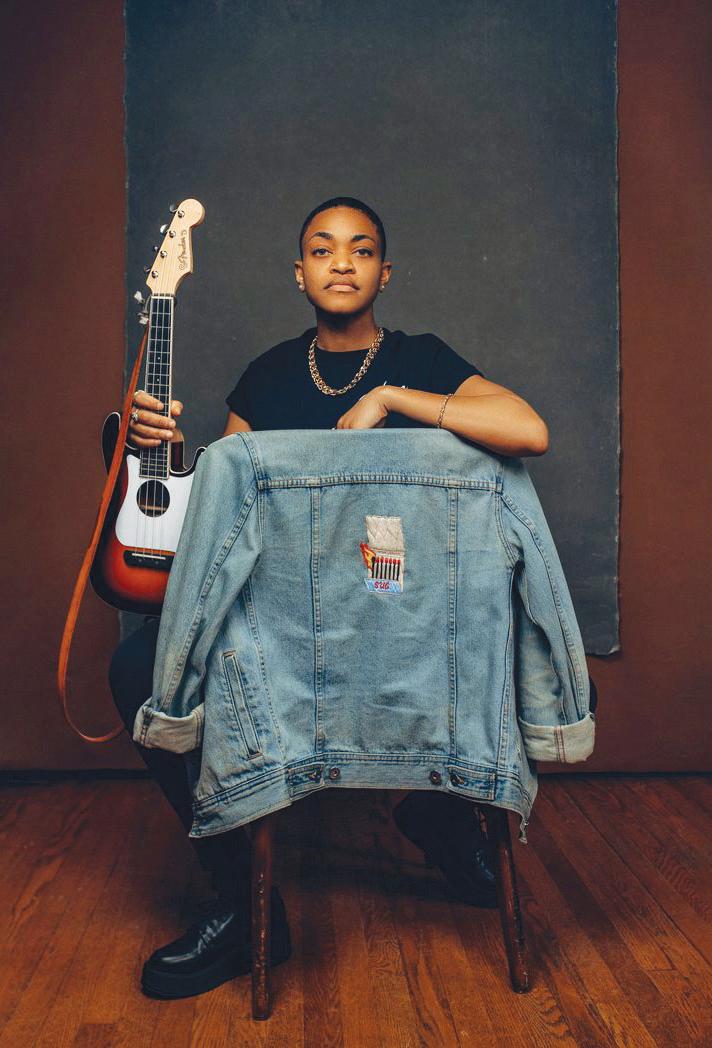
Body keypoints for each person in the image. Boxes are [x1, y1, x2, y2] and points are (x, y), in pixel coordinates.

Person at [109, 196, 550, 999]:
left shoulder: (420, 357)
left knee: (477, 651)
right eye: (322, 248)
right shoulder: (266, 376)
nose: (341, 262)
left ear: (385, 272)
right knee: (138, 667)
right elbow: (221, 517)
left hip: (405, 620)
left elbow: (528, 430)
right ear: (299, 272)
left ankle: (440, 814)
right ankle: (241, 902)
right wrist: (161, 454)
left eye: (361, 249)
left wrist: (394, 399)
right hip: (286, 626)